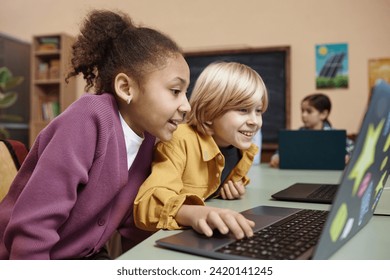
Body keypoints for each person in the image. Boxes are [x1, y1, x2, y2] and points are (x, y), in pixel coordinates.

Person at [0, 9, 191, 260]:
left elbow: (129, 224)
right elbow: (32, 230)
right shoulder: (88, 119)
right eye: (176, 91)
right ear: (126, 88)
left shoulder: (148, 139)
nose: (186, 105)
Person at [134, 61, 268, 239]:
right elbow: (149, 203)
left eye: (258, 111)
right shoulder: (179, 140)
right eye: (243, 110)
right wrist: (196, 214)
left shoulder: (240, 148)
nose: (254, 121)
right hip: (152, 239)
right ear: (209, 114)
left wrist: (232, 187)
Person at [269, 93, 354, 168]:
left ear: (323, 114)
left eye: (309, 111)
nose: (303, 115)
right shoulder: (297, 136)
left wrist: (349, 157)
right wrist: (276, 157)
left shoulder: (335, 136)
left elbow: (353, 149)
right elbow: (282, 151)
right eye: (302, 111)